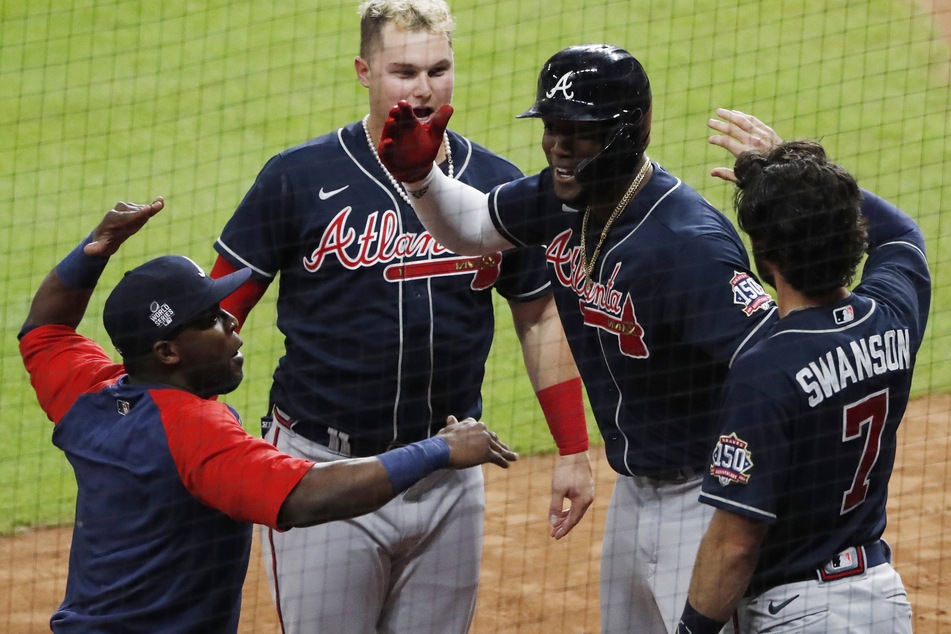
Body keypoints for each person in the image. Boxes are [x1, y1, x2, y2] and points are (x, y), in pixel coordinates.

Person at [210, 1, 594, 632]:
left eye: (438, 70)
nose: (422, 89)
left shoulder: (495, 186)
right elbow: (219, 313)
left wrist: (574, 448)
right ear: (364, 70)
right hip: (323, 474)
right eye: (403, 71)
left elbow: (540, 318)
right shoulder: (298, 178)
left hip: (448, 472)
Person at [378, 45, 778, 632]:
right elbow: (473, 226)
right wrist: (421, 178)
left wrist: (750, 497)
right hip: (635, 491)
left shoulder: (686, 244)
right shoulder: (563, 200)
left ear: (631, 129)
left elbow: (779, 367)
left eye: (580, 133)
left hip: (707, 499)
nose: (559, 147)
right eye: (553, 129)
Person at [18, 197, 518, 633]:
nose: (232, 319)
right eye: (211, 319)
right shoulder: (194, 431)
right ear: (168, 352)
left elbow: (44, 329)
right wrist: (441, 449)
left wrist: (93, 250)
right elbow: (307, 497)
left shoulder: (90, 395)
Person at [674, 111, 930, 634]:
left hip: (799, 613)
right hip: (882, 600)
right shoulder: (893, 313)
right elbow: (902, 232)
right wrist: (806, 179)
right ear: (853, 235)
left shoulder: (766, 368)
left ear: (763, 257)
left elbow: (735, 542)